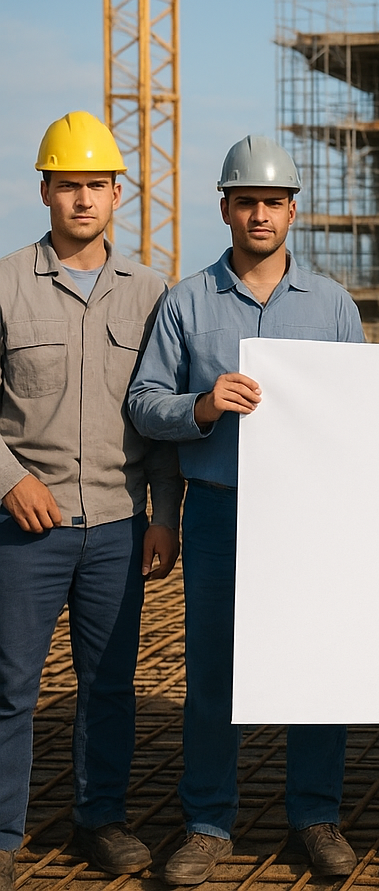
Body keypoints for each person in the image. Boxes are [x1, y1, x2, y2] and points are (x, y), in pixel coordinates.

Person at [127, 136, 365, 885]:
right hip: (220, 511)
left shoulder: (332, 305)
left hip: (309, 518)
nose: (259, 214)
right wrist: (201, 405)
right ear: (225, 207)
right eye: (246, 201)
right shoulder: (185, 302)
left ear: (293, 210)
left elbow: (361, 413)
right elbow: (143, 403)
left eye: (272, 202)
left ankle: (316, 815)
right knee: (212, 673)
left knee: (314, 664)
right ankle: (206, 822)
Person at [0, 113, 182, 889]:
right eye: (68, 185)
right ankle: (4, 834)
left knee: (109, 687)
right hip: (23, 526)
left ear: (118, 193)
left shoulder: (150, 293)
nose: (82, 199)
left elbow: (163, 415)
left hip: (117, 523)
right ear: (45, 190)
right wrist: (8, 479)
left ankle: (100, 819)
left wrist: (165, 517)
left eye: (96, 186)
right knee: (10, 688)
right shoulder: (5, 283)